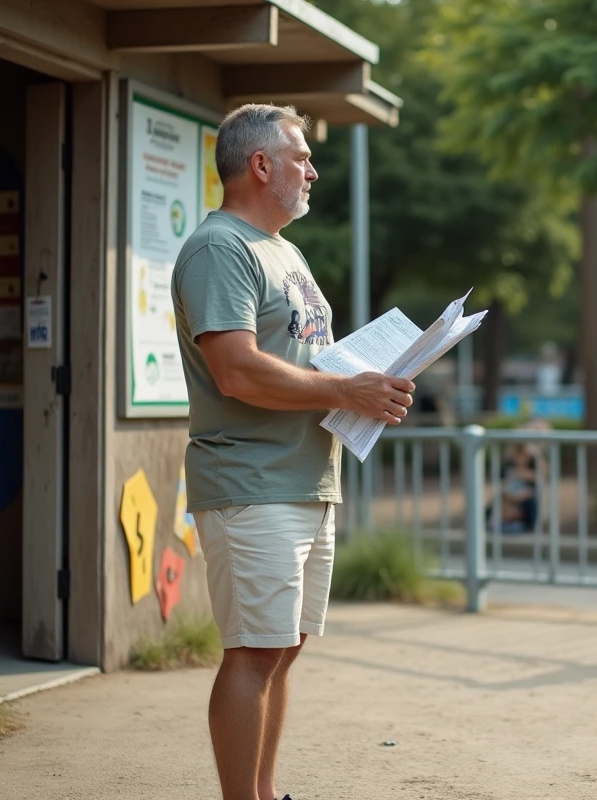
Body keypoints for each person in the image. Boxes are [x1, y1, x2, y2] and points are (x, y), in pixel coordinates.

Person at [171, 103, 415, 800]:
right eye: (302, 156)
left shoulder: (285, 250)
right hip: (252, 482)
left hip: (306, 480)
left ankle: (265, 793)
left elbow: (298, 360)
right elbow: (237, 371)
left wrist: (369, 384)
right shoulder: (222, 249)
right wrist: (349, 388)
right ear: (260, 165)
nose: (312, 170)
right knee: (252, 654)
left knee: (281, 652)